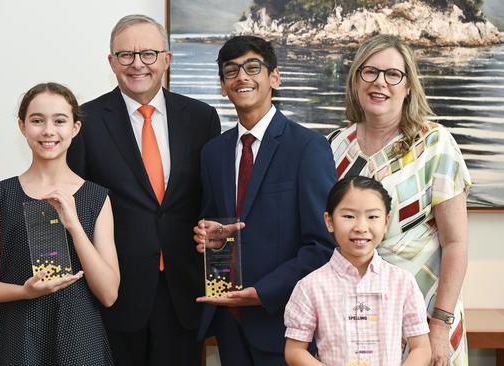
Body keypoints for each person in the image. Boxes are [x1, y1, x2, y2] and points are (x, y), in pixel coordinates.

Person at [65, 14, 221, 366]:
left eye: (149, 54)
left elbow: (211, 200)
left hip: (184, 290)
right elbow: (76, 209)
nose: (138, 64)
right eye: (126, 55)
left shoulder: (202, 118)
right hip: (116, 293)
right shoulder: (85, 122)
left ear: (167, 59)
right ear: (111, 62)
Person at [193, 35, 337, 365]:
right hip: (229, 323)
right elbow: (216, 229)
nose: (242, 76)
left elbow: (323, 245)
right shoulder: (213, 153)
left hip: (285, 324)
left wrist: (263, 293)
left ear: (274, 77)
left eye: (252, 67)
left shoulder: (307, 148)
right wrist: (207, 238)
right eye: (231, 71)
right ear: (223, 85)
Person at [328, 34, 471, 365]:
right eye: (370, 72)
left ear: (408, 86)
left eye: (393, 74)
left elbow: (456, 244)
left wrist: (439, 324)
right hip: (356, 312)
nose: (380, 82)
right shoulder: (334, 145)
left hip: (426, 308)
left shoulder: (435, 144)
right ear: (356, 80)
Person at [0, 82, 119, 365]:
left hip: (79, 339)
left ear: (75, 128)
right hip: (17, 338)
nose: (48, 131)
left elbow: (109, 294)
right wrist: (24, 291)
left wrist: (73, 225)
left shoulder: (96, 197)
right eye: (37, 121)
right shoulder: (2, 195)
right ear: (22, 126)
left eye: (59, 121)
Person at [284, 176, 431, 365]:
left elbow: (421, 347)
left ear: (386, 222)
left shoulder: (402, 282)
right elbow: (295, 351)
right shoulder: (310, 287)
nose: (361, 227)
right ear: (329, 221)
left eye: (372, 217)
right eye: (348, 216)